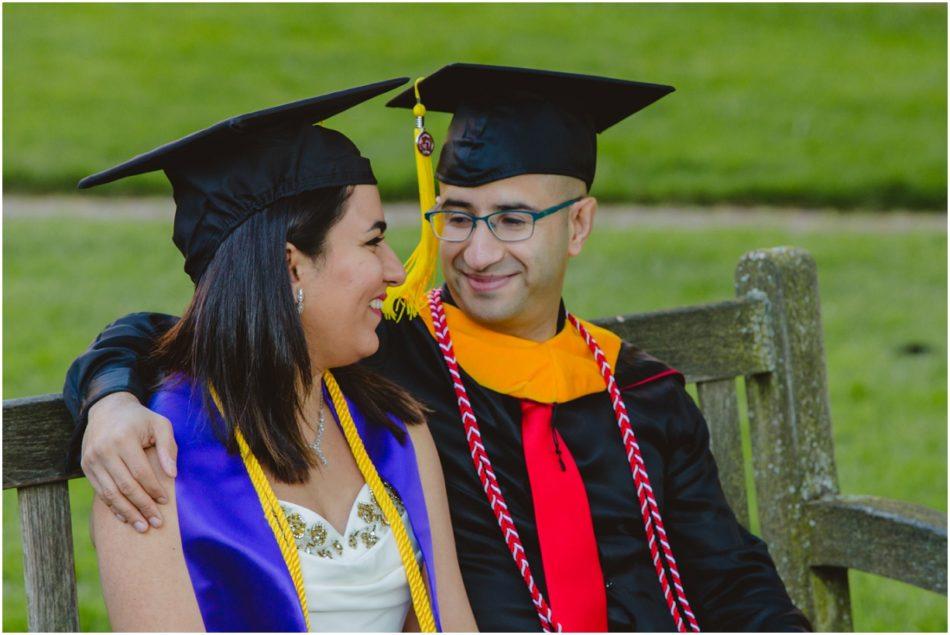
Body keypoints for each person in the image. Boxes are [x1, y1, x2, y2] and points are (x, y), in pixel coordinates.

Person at [64, 64, 811, 632]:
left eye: (513, 219)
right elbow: (208, 328)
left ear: (577, 225)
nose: (477, 252)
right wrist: (110, 397)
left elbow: (726, 567)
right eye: (455, 216)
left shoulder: (642, 394)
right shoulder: (390, 358)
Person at [71, 79, 476, 632]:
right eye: (372, 241)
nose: (396, 270)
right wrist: (108, 399)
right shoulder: (153, 468)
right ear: (291, 268)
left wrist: (106, 391)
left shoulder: (395, 428)